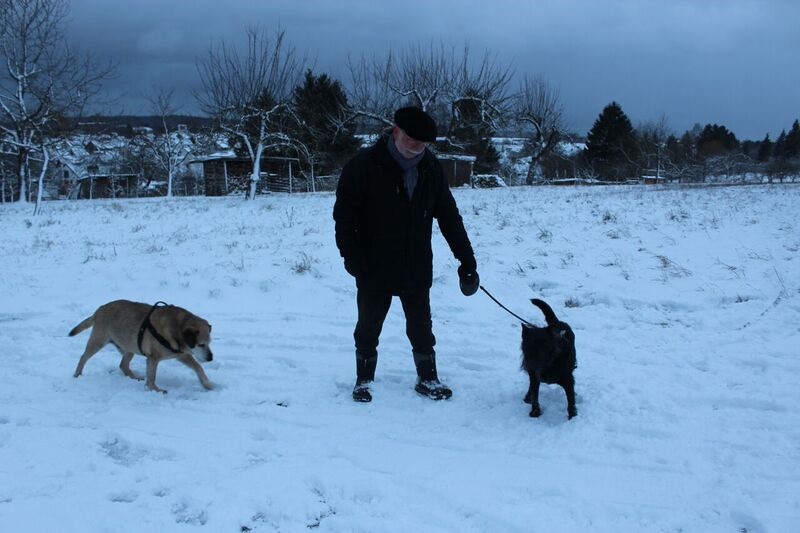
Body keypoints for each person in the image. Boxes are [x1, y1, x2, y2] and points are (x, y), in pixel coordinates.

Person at [333, 106, 479, 403]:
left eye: (424, 144)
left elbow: (449, 216)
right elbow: (344, 219)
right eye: (412, 140)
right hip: (373, 265)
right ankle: (364, 379)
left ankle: (427, 378)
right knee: (368, 325)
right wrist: (353, 259)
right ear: (395, 130)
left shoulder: (430, 168)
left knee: (421, 326)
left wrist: (466, 259)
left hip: (416, 264)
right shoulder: (362, 167)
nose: (417, 148)